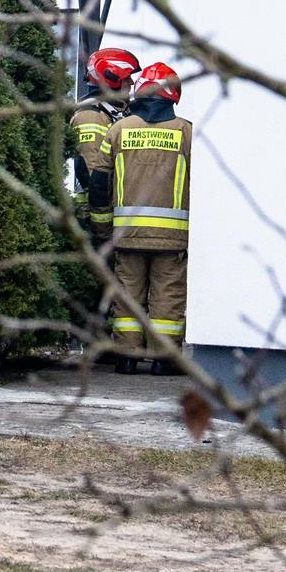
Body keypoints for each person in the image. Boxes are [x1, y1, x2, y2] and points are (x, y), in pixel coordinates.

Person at [92, 60, 192, 376]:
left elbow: (98, 182)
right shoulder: (187, 133)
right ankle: (164, 361)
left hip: (126, 234)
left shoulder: (118, 130)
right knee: (168, 296)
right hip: (173, 236)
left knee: (127, 294)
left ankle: (126, 357)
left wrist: (100, 227)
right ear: (174, 96)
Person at [70, 47, 139, 249]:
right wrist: (104, 230)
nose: (132, 83)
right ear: (111, 78)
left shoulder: (114, 111)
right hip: (96, 221)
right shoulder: (90, 115)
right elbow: (93, 174)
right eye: (127, 78)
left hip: (112, 219)